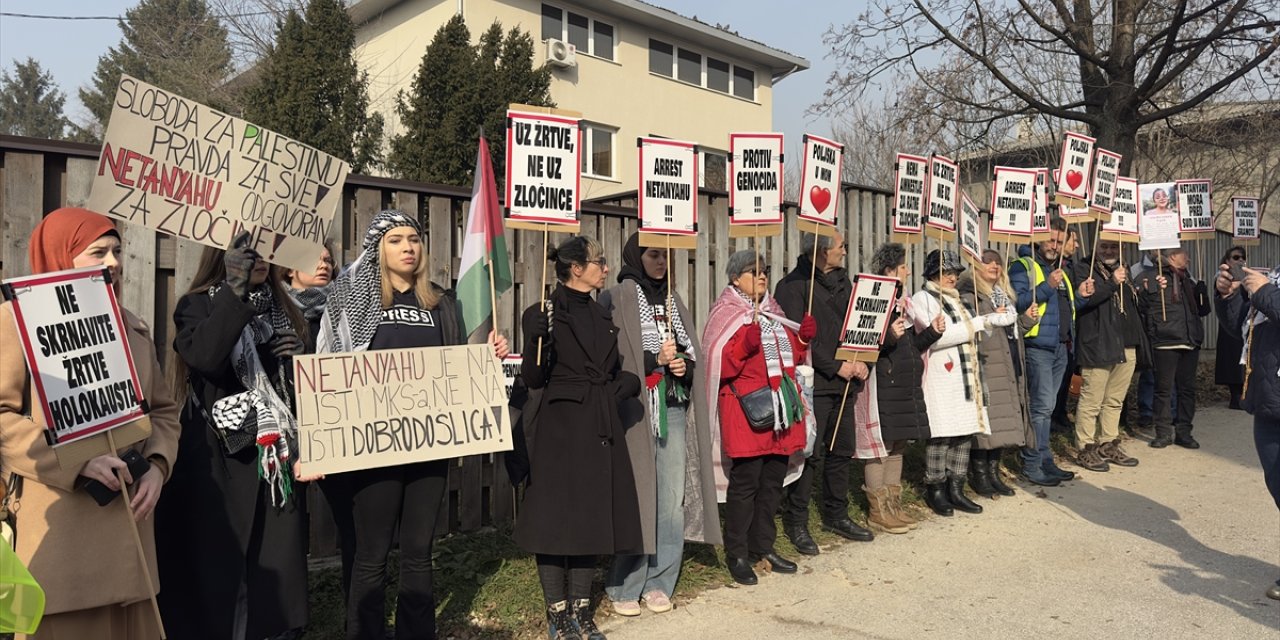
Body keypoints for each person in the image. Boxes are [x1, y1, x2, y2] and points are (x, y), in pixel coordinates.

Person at [317, 210, 508, 639]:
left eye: (414, 239)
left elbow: (457, 370)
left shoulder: (441, 304)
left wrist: (487, 356)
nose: (408, 247)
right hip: (373, 449)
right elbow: (329, 366)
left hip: (428, 448)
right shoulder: (353, 302)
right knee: (372, 555)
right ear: (376, 249)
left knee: (420, 552)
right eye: (395, 240)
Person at [0, 208, 180, 639]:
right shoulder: (14, 323)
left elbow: (163, 411)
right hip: (62, 547)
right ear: (61, 256)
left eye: (117, 251)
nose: (113, 262)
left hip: (132, 546)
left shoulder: (133, 328)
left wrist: (158, 466)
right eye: (97, 252)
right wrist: (78, 460)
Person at [158, 231, 311, 639]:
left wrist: (302, 360)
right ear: (224, 255)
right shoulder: (197, 305)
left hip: (274, 463)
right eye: (249, 250)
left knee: (273, 582)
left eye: (267, 250)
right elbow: (205, 357)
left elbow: (302, 393)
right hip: (218, 462)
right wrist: (234, 292)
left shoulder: (288, 309)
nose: (261, 257)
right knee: (218, 581)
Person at [516, 235, 642, 640]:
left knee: (590, 518)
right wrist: (534, 338)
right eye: (599, 262)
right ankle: (557, 613)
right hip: (560, 427)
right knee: (554, 521)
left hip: (598, 426)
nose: (605, 268)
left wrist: (623, 384)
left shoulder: (601, 312)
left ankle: (581, 612)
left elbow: (609, 370)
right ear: (576, 268)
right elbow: (534, 378)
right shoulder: (543, 311)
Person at [600, 233, 721, 617]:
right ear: (637, 255)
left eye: (666, 255)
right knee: (638, 497)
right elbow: (614, 356)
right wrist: (653, 359)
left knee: (671, 500)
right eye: (654, 254)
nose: (661, 262)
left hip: (671, 408)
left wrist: (684, 365)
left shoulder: (672, 299)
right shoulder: (618, 296)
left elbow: (688, 350)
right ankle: (625, 583)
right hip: (635, 412)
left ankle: (660, 580)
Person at [702, 250, 814, 586]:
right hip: (746, 413)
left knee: (771, 484)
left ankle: (762, 546)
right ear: (736, 278)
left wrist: (803, 339)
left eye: (764, 270)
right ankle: (737, 552)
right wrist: (745, 344)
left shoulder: (773, 312)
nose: (762, 276)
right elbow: (720, 363)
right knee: (746, 484)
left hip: (780, 412)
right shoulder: (727, 313)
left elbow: (789, 357)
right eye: (753, 271)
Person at [774, 232, 873, 551]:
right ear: (820, 252)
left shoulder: (847, 284)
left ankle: (836, 513)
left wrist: (863, 360)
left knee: (841, 450)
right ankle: (797, 520)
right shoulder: (793, 286)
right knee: (810, 455)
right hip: (813, 383)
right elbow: (797, 336)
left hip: (847, 381)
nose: (845, 251)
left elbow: (862, 325)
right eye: (840, 246)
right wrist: (834, 366)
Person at [1009, 217, 1094, 486]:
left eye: (1060, 242)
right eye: (1051, 240)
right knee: (1040, 407)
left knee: (1049, 407)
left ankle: (1046, 460)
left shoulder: (1059, 269)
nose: (1055, 246)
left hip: (1060, 348)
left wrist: (1080, 295)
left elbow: (1063, 310)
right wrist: (1047, 285)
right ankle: (1032, 463)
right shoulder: (1023, 266)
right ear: (1037, 238)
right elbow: (1019, 302)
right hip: (1038, 348)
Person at [862, 243, 941, 531]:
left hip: (905, 382)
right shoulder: (875, 297)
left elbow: (911, 346)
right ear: (890, 269)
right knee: (880, 447)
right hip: (884, 382)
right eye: (904, 266)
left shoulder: (903, 303)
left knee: (898, 445)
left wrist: (932, 333)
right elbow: (865, 341)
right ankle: (877, 510)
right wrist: (889, 339)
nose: (908, 270)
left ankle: (893, 504)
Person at [1214, 260, 1280, 600]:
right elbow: (1241, 327)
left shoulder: (1271, 284)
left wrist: (1265, 291)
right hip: (1268, 398)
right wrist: (1229, 297)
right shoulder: (1274, 274)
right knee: (1277, 485)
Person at [958, 250, 1031, 497]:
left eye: (997, 262)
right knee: (988, 424)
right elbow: (973, 329)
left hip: (1008, 363)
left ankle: (993, 472)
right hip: (988, 364)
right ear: (975, 267)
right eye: (987, 261)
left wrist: (1026, 321)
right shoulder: (970, 297)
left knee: (1002, 423)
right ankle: (980, 475)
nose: (994, 265)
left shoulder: (1004, 297)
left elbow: (1009, 330)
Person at [1071, 239, 1142, 471]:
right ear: (1095, 248)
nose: (1109, 251)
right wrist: (1112, 282)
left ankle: (1108, 443)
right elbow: (1086, 300)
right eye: (1104, 246)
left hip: (1126, 344)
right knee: (1092, 401)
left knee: (1114, 400)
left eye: (1114, 246)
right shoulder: (1083, 268)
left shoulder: (1125, 269)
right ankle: (1085, 447)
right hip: (1098, 344)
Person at [1138, 247, 1210, 449]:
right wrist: (1148, 289)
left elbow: (1203, 311)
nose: (1187, 257)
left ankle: (1184, 432)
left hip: (1189, 340)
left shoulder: (1189, 279)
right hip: (1165, 341)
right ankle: (1162, 433)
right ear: (1171, 257)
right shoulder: (1152, 276)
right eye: (1183, 254)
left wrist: (1202, 293)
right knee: (1163, 389)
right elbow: (1141, 307)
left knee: (1187, 390)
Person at [1215, 247, 1249, 410]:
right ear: (1227, 260)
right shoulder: (1223, 276)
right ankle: (1235, 396)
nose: (1240, 260)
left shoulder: (1247, 275)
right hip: (1230, 325)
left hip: (1245, 322)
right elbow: (1221, 291)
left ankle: (1243, 393)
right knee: (1231, 362)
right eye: (1235, 257)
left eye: (1242, 257)